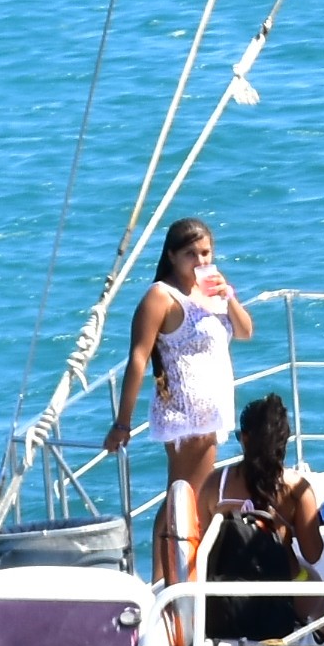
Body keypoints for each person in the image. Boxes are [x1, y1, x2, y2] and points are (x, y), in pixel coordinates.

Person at [101, 218, 253, 604]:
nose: (200, 261)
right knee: (185, 501)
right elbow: (138, 359)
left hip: (211, 410)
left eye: (206, 253)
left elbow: (245, 331)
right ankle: (165, 583)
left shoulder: (211, 290)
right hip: (187, 412)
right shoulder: (161, 296)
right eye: (191, 254)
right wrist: (122, 422)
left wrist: (229, 297)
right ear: (171, 255)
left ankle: (168, 580)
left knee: (184, 499)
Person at [202, 393, 324, 646]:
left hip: (227, 597)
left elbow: (206, 544)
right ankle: (319, 641)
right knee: (323, 603)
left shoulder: (215, 484)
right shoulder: (297, 488)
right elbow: (313, 553)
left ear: (245, 438)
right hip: (284, 593)